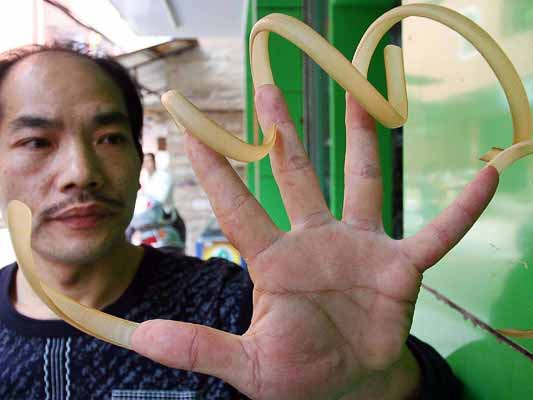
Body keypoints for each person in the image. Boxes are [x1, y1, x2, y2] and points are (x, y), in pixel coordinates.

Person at [0, 43, 499, 399]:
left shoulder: (241, 305)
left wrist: (376, 384)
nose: (81, 172)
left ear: (138, 159)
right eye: (37, 142)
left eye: (109, 138)